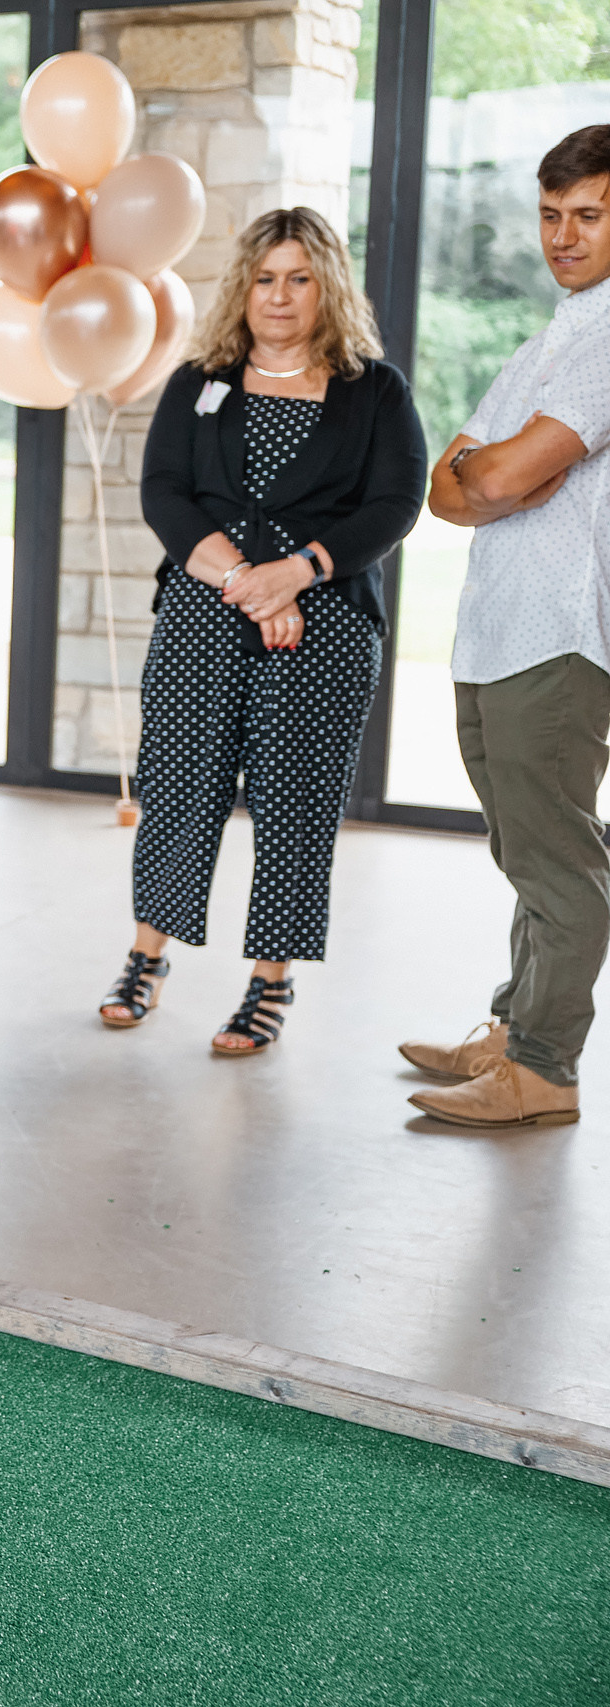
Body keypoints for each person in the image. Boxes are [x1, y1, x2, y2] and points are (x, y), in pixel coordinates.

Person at [100, 208, 426, 1054]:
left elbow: (395, 504)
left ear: (328, 286)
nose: (279, 296)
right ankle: (147, 955)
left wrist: (303, 570)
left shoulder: (374, 390)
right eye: (264, 277)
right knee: (178, 785)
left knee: (294, 805)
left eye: (299, 278)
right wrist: (253, 583)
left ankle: (269, 979)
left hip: (324, 631)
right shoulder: (200, 379)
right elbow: (165, 493)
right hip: (203, 615)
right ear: (243, 287)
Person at [402, 127, 610, 1128]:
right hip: (494, 631)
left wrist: (486, 471)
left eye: (588, 216)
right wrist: (482, 472)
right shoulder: (550, 338)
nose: (562, 236)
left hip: (559, 635)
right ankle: (510, 1027)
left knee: (557, 858)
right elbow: (448, 485)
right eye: (549, 215)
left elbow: (491, 472)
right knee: (521, 848)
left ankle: (543, 1069)